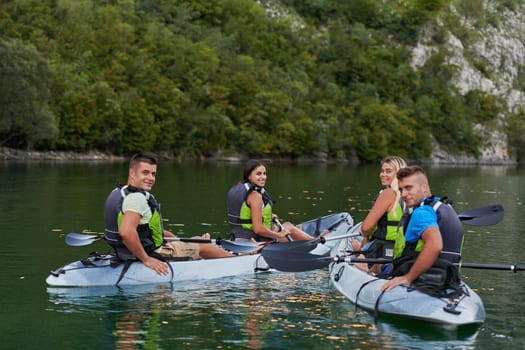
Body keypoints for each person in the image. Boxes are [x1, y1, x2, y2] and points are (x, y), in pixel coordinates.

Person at [104, 151, 235, 276]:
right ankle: (240, 261)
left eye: (153, 174)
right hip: (150, 254)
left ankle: (197, 249)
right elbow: (126, 232)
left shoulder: (118, 192)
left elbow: (143, 229)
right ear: (132, 173)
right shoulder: (137, 198)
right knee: (203, 246)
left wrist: (172, 237)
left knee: (197, 240)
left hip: (124, 253)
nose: (150, 178)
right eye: (145, 173)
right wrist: (146, 260)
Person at [380, 165, 463, 292]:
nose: (403, 194)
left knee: (379, 265)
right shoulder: (444, 207)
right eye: (401, 190)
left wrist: (408, 278)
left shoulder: (421, 212)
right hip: (448, 278)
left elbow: (435, 245)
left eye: (408, 188)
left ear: (424, 187)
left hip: (425, 278)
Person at [227, 159, 314, 242]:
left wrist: (268, 215)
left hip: (239, 237)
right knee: (289, 227)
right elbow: (258, 229)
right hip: (256, 241)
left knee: (289, 226)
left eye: (264, 173)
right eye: (258, 174)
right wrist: (279, 235)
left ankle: (308, 237)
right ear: (249, 176)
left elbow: (244, 213)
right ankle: (317, 242)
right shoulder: (255, 196)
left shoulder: (240, 189)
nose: (263, 177)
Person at [351, 156, 407, 273]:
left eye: (388, 171)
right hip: (401, 250)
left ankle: (360, 253)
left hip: (381, 249)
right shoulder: (408, 195)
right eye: (382, 171)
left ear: (399, 174)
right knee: (358, 245)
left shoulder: (388, 193)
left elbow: (365, 228)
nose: (382, 174)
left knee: (355, 244)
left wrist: (365, 235)